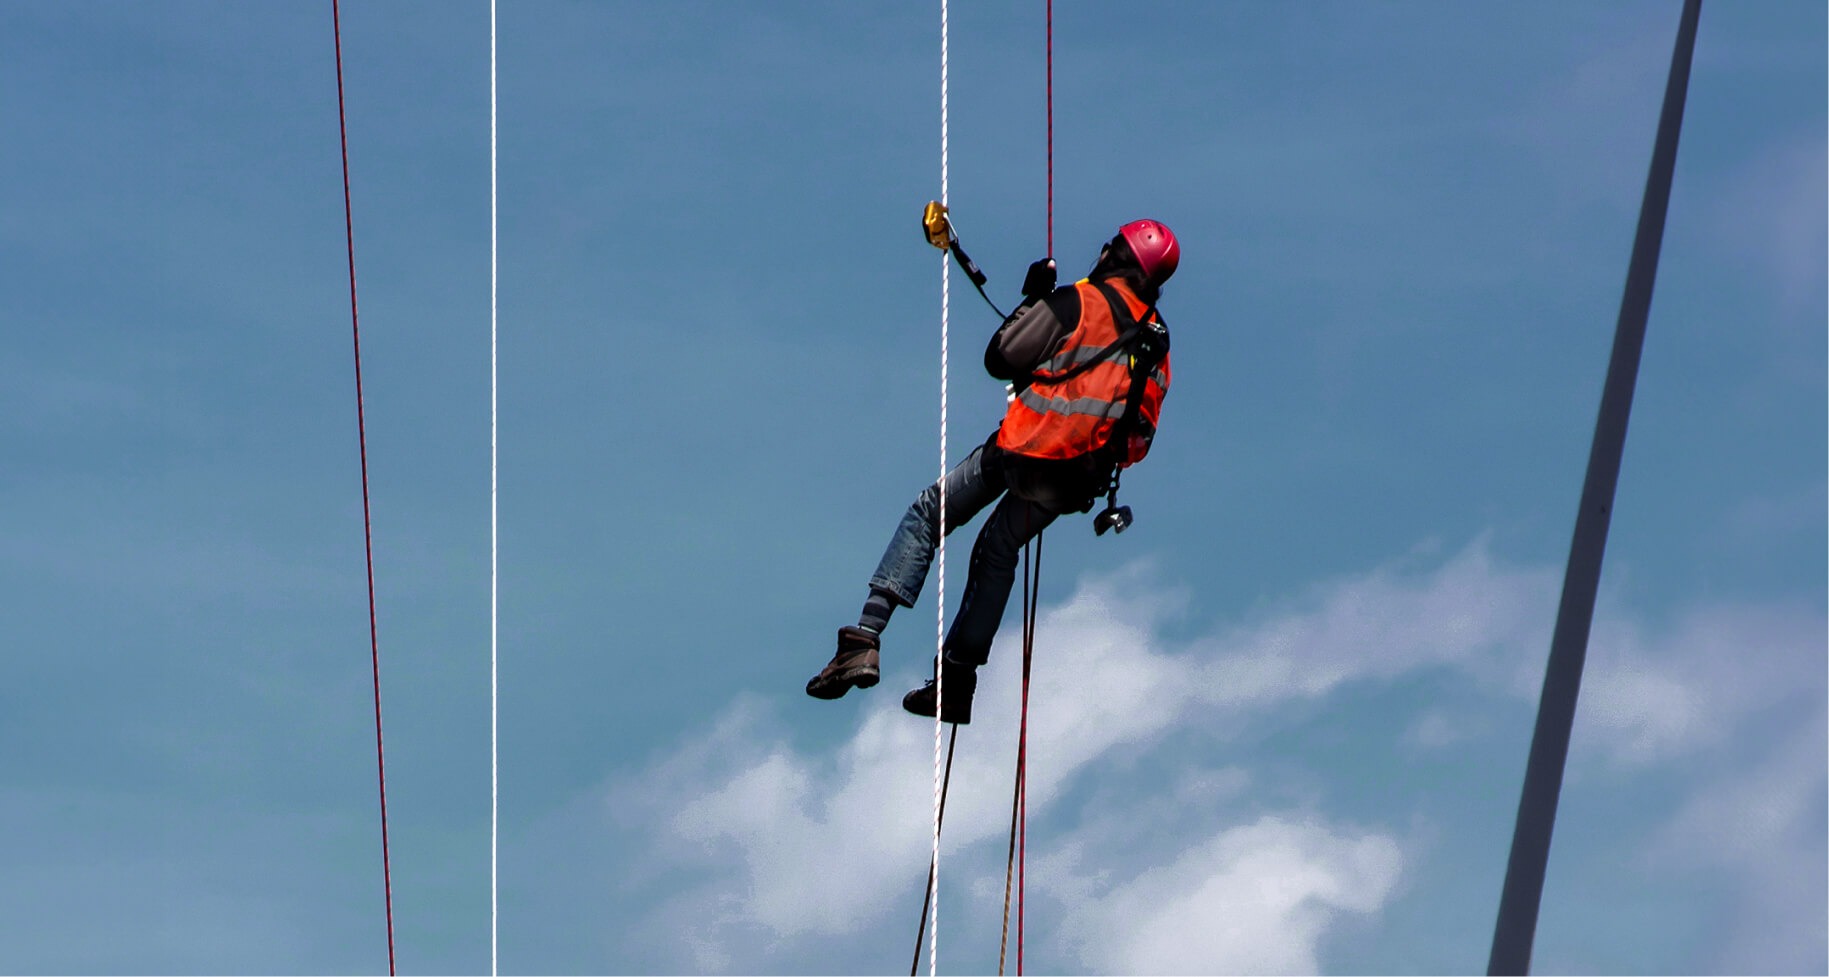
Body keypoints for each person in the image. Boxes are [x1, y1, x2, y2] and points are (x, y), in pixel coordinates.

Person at [805, 219, 1180, 724]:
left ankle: (863, 641)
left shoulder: (1079, 303)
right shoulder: (1157, 343)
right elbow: (1139, 431)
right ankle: (956, 685)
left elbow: (1001, 358)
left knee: (929, 513)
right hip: (1077, 480)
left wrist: (1035, 300)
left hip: (1024, 452)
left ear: (1121, 257)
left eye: (1110, 246)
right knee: (998, 550)